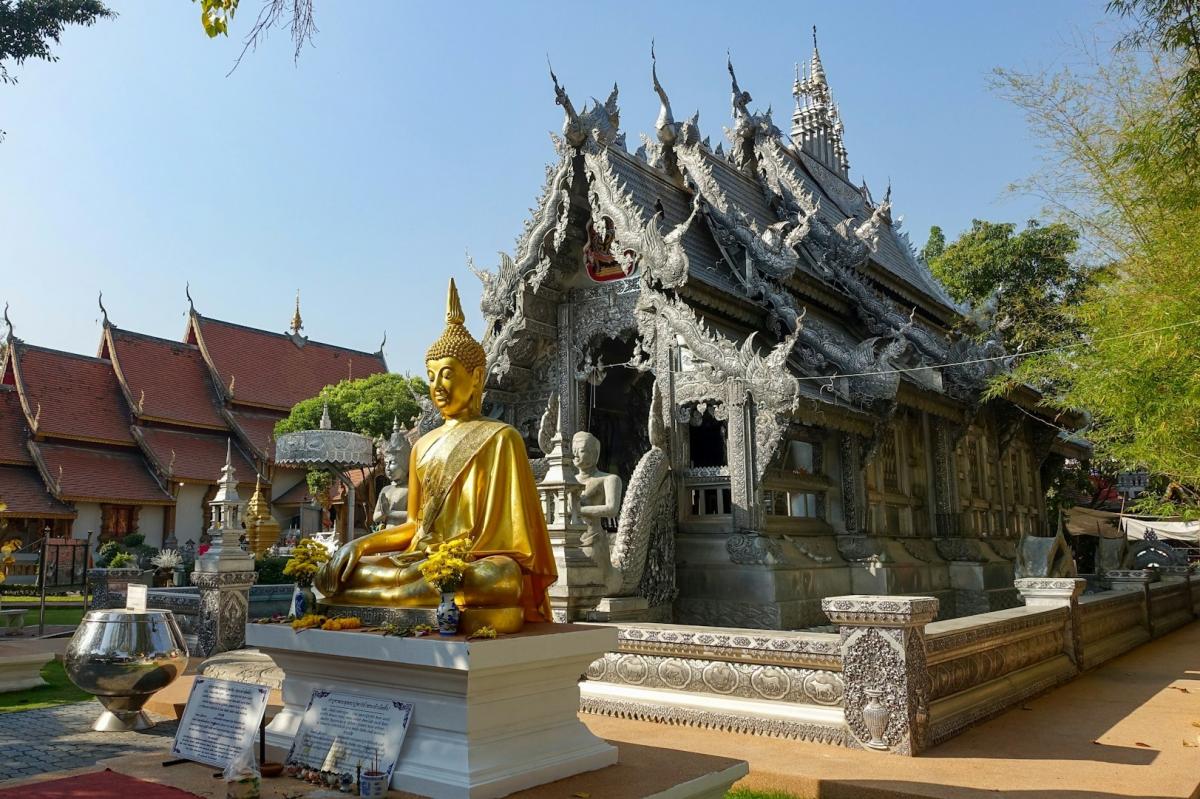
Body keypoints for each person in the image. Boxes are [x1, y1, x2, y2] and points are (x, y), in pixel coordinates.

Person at [315, 279, 557, 633]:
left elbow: (513, 545)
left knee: (498, 579)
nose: (438, 387)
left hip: (474, 562)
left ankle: (413, 591)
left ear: (475, 377)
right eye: (431, 377)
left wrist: (453, 564)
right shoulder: (422, 446)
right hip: (421, 562)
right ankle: (410, 591)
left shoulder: (502, 438)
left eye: (447, 375)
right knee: (338, 573)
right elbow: (416, 525)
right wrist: (360, 544)